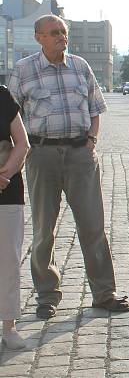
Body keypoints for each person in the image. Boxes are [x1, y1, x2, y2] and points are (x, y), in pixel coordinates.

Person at [8, 14, 129, 320]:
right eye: (54, 32)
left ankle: (104, 293)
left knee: (93, 227)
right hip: (41, 156)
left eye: (64, 32)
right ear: (39, 37)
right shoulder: (23, 71)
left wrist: (91, 140)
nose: (62, 36)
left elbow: (96, 108)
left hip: (80, 155)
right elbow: (11, 118)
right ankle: (47, 295)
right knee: (43, 231)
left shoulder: (81, 66)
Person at [0, 87, 30, 349]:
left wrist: (5, 175)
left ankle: (9, 326)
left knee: (8, 261)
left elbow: (22, 143)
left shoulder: (3, 96)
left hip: (6, 191)